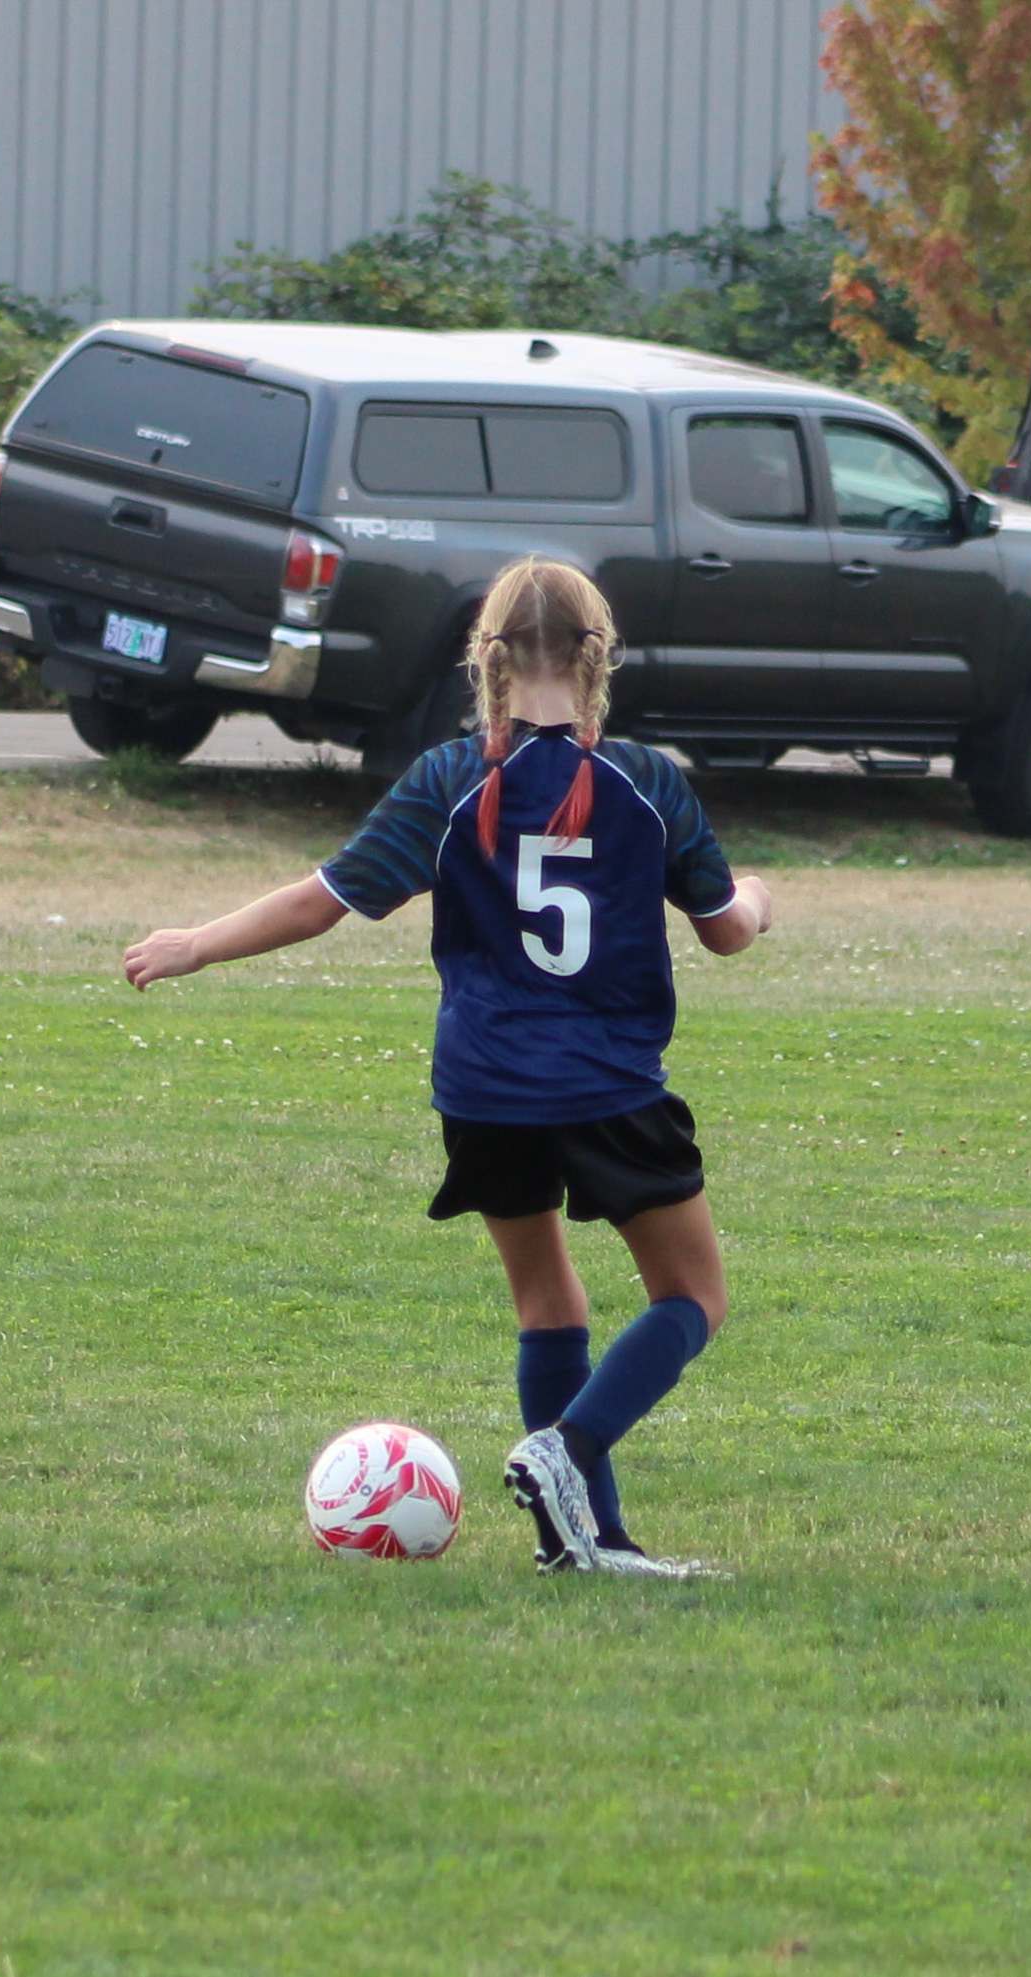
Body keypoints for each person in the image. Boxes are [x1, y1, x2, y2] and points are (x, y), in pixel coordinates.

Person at [124, 555, 771, 1577]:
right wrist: (761, 898)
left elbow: (322, 900)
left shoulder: (449, 778)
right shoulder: (645, 782)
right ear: (598, 656)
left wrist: (195, 942)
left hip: (483, 1088)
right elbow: (726, 930)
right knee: (694, 1298)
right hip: (605, 1083)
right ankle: (567, 1448)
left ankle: (584, 1545)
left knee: (548, 1304)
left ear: (488, 657)